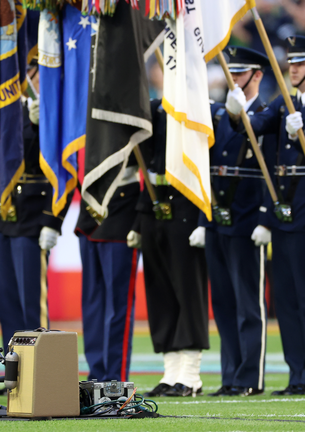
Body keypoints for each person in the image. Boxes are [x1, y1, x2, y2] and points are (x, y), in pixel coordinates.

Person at [225, 35, 305, 396]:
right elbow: (252, 128)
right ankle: (298, 375)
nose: (294, 70)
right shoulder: (282, 103)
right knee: (286, 301)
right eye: (292, 64)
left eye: (301, 64)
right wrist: (236, 110)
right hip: (285, 215)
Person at [192, 47, 273, 397]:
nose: (233, 78)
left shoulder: (268, 114)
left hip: (247, 220)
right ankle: (230, 375)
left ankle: (249, 378)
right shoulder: (220, 114)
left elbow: (270, 171)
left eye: (241, 73)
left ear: (257, 76)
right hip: (218, 220)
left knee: (248, 306)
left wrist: (265, 218)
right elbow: (208, 170)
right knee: (223, 304)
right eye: (231, 72)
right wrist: (203, 219)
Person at [0, 64, 68, 356]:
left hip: (33, 215)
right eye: (28, 71)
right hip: (2, 213)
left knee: (32, 305)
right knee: (8, 302)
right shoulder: (7, 110)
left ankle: (43, 372)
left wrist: (53, 220)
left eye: (36, 71)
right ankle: (16, 374)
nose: (30, 77)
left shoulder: (55, 110)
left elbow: (62, 167)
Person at [127, 99, 210, 398]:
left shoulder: (197, 109)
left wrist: (204, 219)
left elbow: (205, 166)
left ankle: (190, 375)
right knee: (160, 294)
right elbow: (147, 165)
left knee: (188, 293)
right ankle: (171, 371)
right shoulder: (155, 110)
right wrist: (139, 221)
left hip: (187, 210)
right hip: (154, 210)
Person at [74, 163, 140, 383]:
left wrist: (139, 223)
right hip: (89, 213)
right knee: (92, 305)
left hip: (122, 210)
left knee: (118, 304)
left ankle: (114, 379)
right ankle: (96, 375)